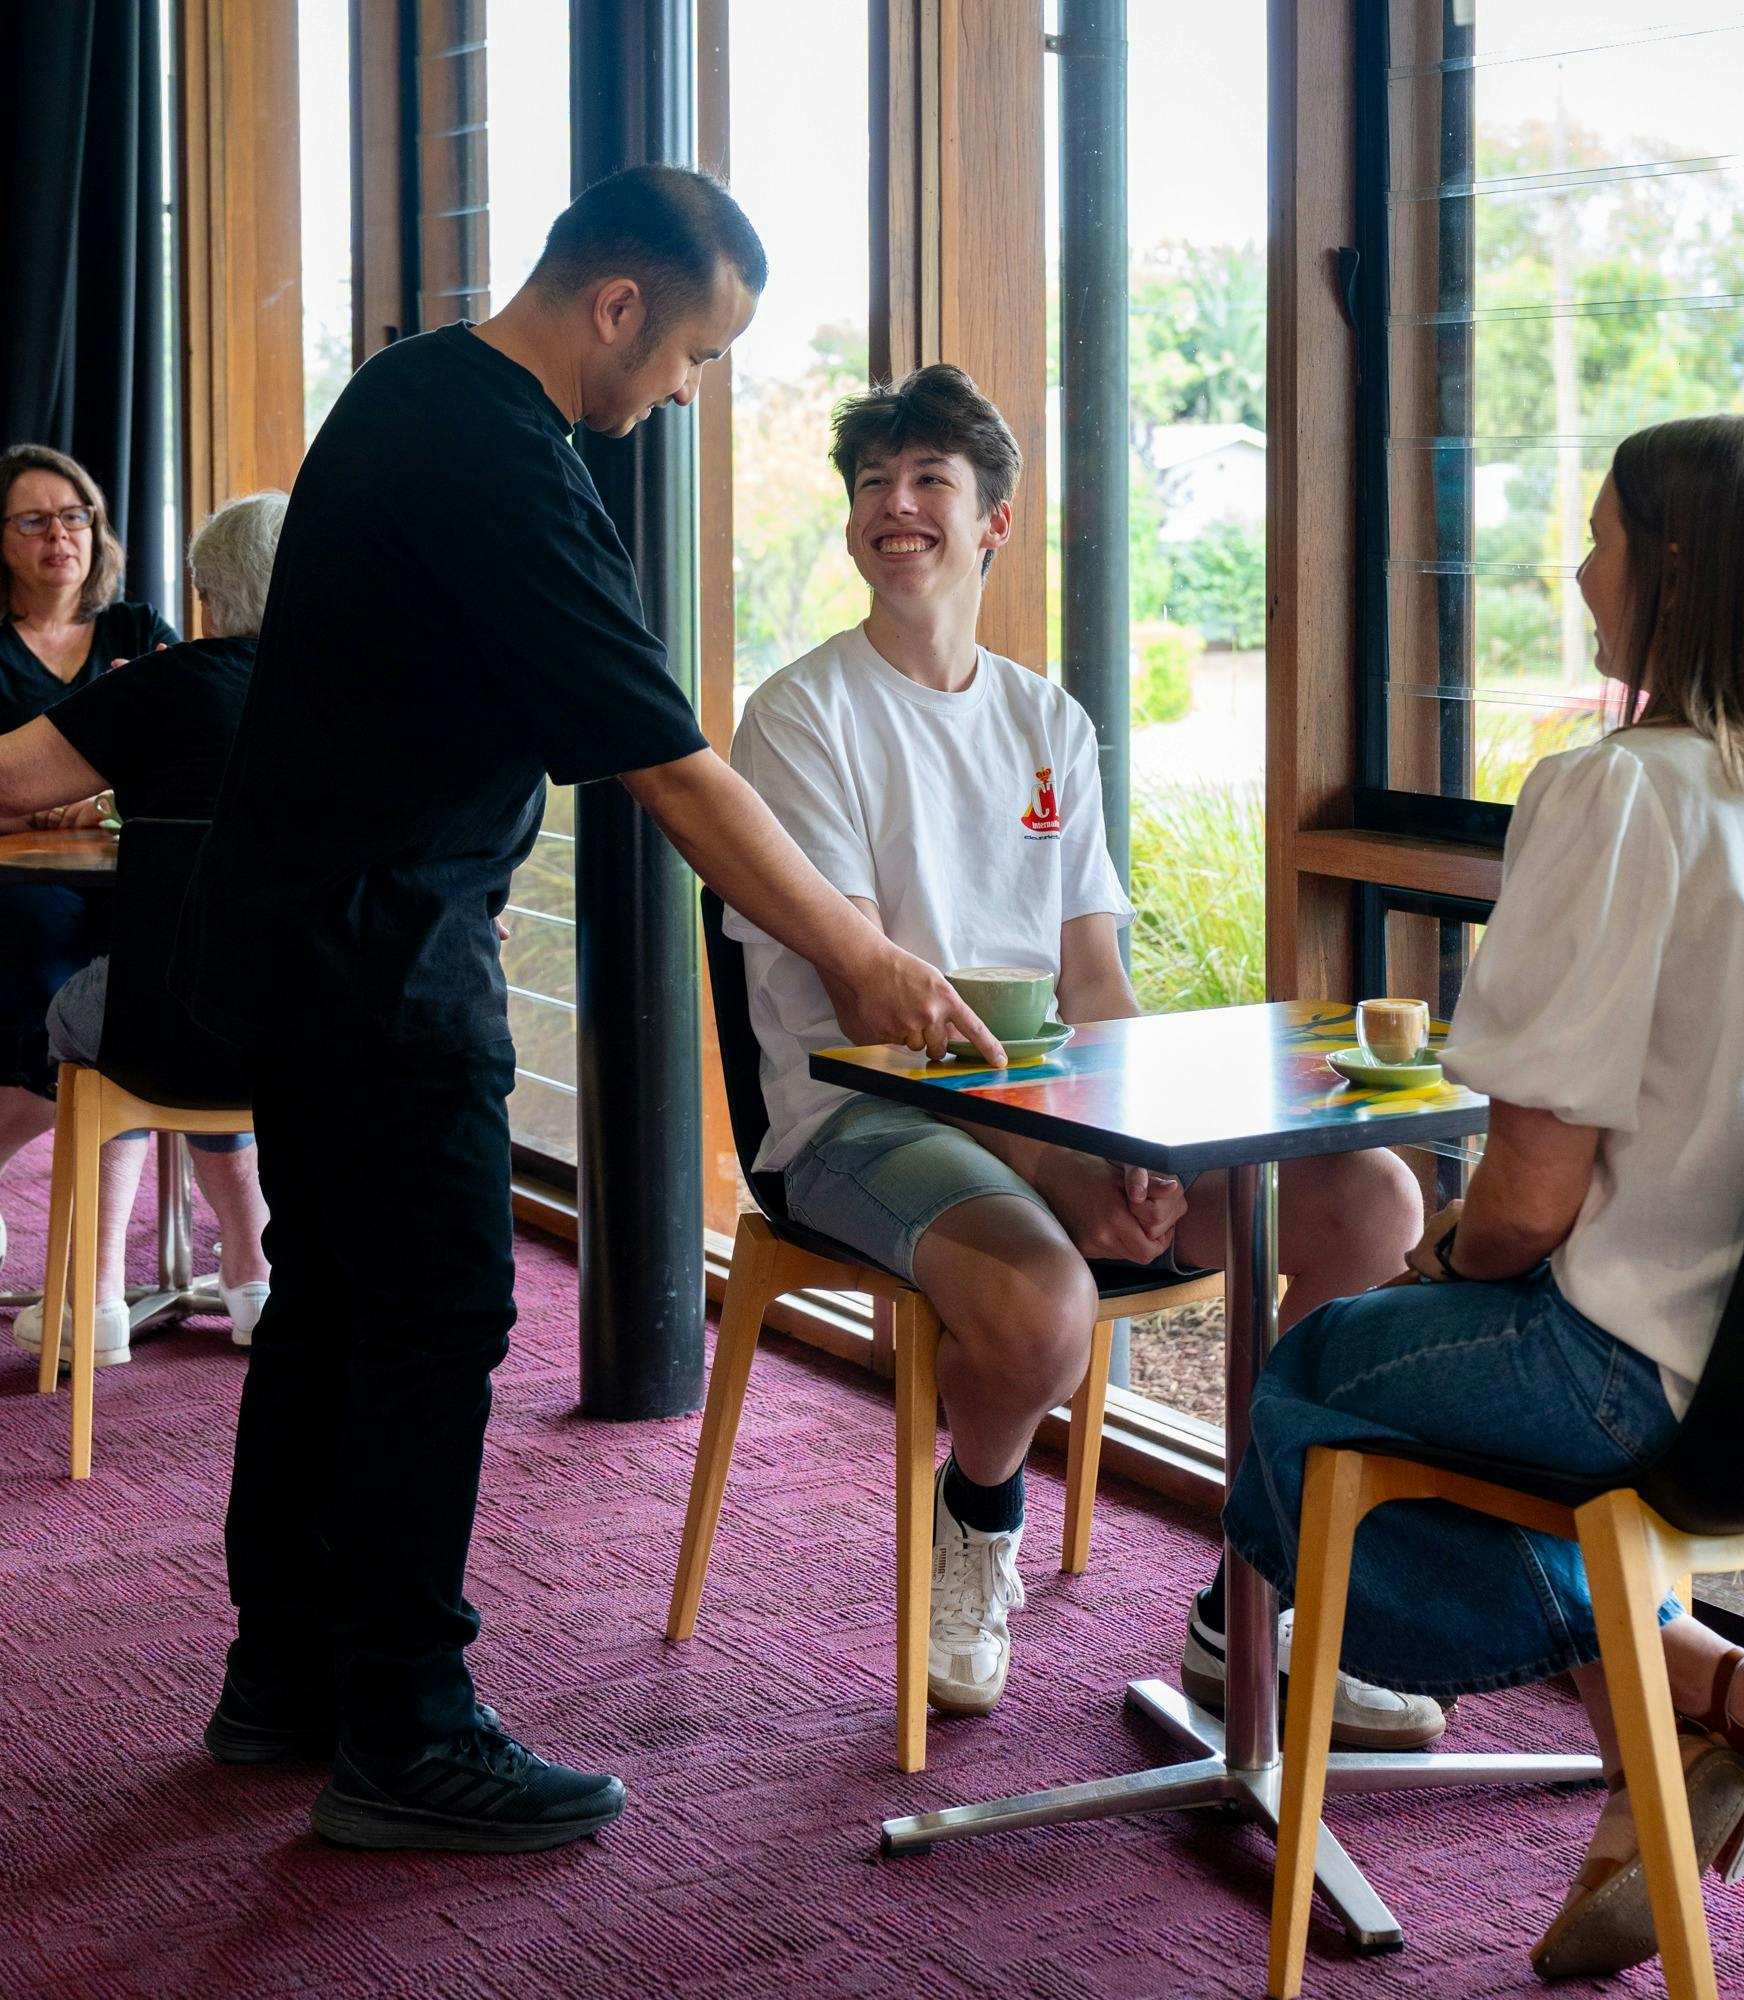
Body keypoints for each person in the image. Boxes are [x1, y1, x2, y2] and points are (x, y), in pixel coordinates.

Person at [171, 166, 1005, 1858]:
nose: (684, 393)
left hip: (300, 932)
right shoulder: (498, 445)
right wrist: (854, 954)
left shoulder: (410, 395)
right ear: (620, 306)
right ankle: (405, 1723)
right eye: (697, 354)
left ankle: (290, 1679)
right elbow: (663, 758)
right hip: (386, 948)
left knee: (335, 1305)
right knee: (431, 1322)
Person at [1219, 413, 1744, 1981]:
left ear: (1677, 571)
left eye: (1603, 541)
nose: (1579, 574)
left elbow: (1528, 1204)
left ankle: (1687, 1682)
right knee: (1475, 1412)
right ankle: (1676, 1712)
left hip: (1655, 1393)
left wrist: (1440, 1253)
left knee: (1301, 1387)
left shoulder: (1619, 793)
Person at [727, 364, 1433, 1743]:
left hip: (1056, 1117)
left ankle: (1256, 1592)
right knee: (1046, 1304)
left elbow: (1095, 976)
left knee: (1376, 1200)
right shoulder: (803, 714)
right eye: (875, 485)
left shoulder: (1049, 723)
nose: (897, 507)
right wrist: (1059, 1153)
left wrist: (1144, 1136)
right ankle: (977, 1517)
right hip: (851, 1124)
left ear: (994, 522)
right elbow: (873, 1006)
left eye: (931, 481)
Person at [0, 491, 288, 1370]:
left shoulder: (165, 683)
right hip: (323, 1024)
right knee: (220, 997)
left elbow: (9, 783)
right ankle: (255, 1282)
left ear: (206, 596)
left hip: (170, 1011)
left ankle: (91, 1305)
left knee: (117, 1017)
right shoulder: (373, 691)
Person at [0, 444, 179, 1263]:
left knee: (185, 951)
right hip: (20, 879)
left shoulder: (138, 630)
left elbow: (195, 745)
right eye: (34, 520)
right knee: (44, 957)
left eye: (75, 518)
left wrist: (102, 797)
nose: (58, 537)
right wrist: (44, 804)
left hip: (135, 868)